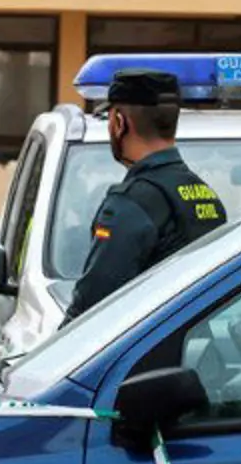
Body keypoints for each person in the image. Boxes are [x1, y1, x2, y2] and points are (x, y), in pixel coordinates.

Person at [62, 69, 227, 325]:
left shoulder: (131, 204)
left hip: (143, 361)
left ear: (119, 122)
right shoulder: (206, 197)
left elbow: (91, 310)